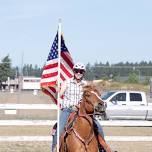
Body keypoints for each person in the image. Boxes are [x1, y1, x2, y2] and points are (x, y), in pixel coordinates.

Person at [52, 62, 105, 151]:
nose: (78, 73)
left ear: (83, 72)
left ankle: (102, 148)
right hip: (68, 110)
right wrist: (56, 91)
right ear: (74, 71)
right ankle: (54, 149)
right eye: (77, 71)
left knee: (99, 128)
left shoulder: (85, 84)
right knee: (59, 129)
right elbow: (58, 95)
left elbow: (91, 96)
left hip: (82, 111)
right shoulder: (67, 82)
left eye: (81, 71)